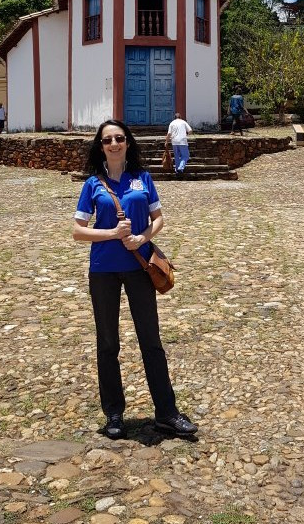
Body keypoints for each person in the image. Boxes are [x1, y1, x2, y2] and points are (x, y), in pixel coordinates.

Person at [72, 119, 198, 440]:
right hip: (103, 270)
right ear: (100, 147)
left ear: (128, 142)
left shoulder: (142, 179)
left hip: (139, 267)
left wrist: (142, 239)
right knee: (108, 343)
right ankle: (114, 413)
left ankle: (167, 412)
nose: (114, 144)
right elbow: (77, 230)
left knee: (150, 340)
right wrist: (112, 233)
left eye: (119, 138)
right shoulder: (92, 184)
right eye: (107, 140)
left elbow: (159, 220)